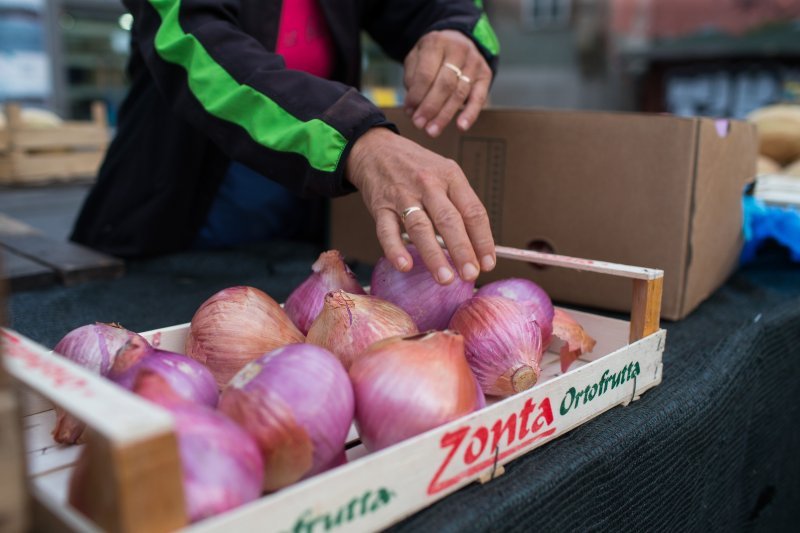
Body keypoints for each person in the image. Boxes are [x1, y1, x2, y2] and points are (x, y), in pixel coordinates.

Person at [71, 0, 500, 285]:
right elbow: (198, 51)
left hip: (307, 207)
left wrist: (457, 31)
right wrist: (358, 141)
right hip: (174, 214)